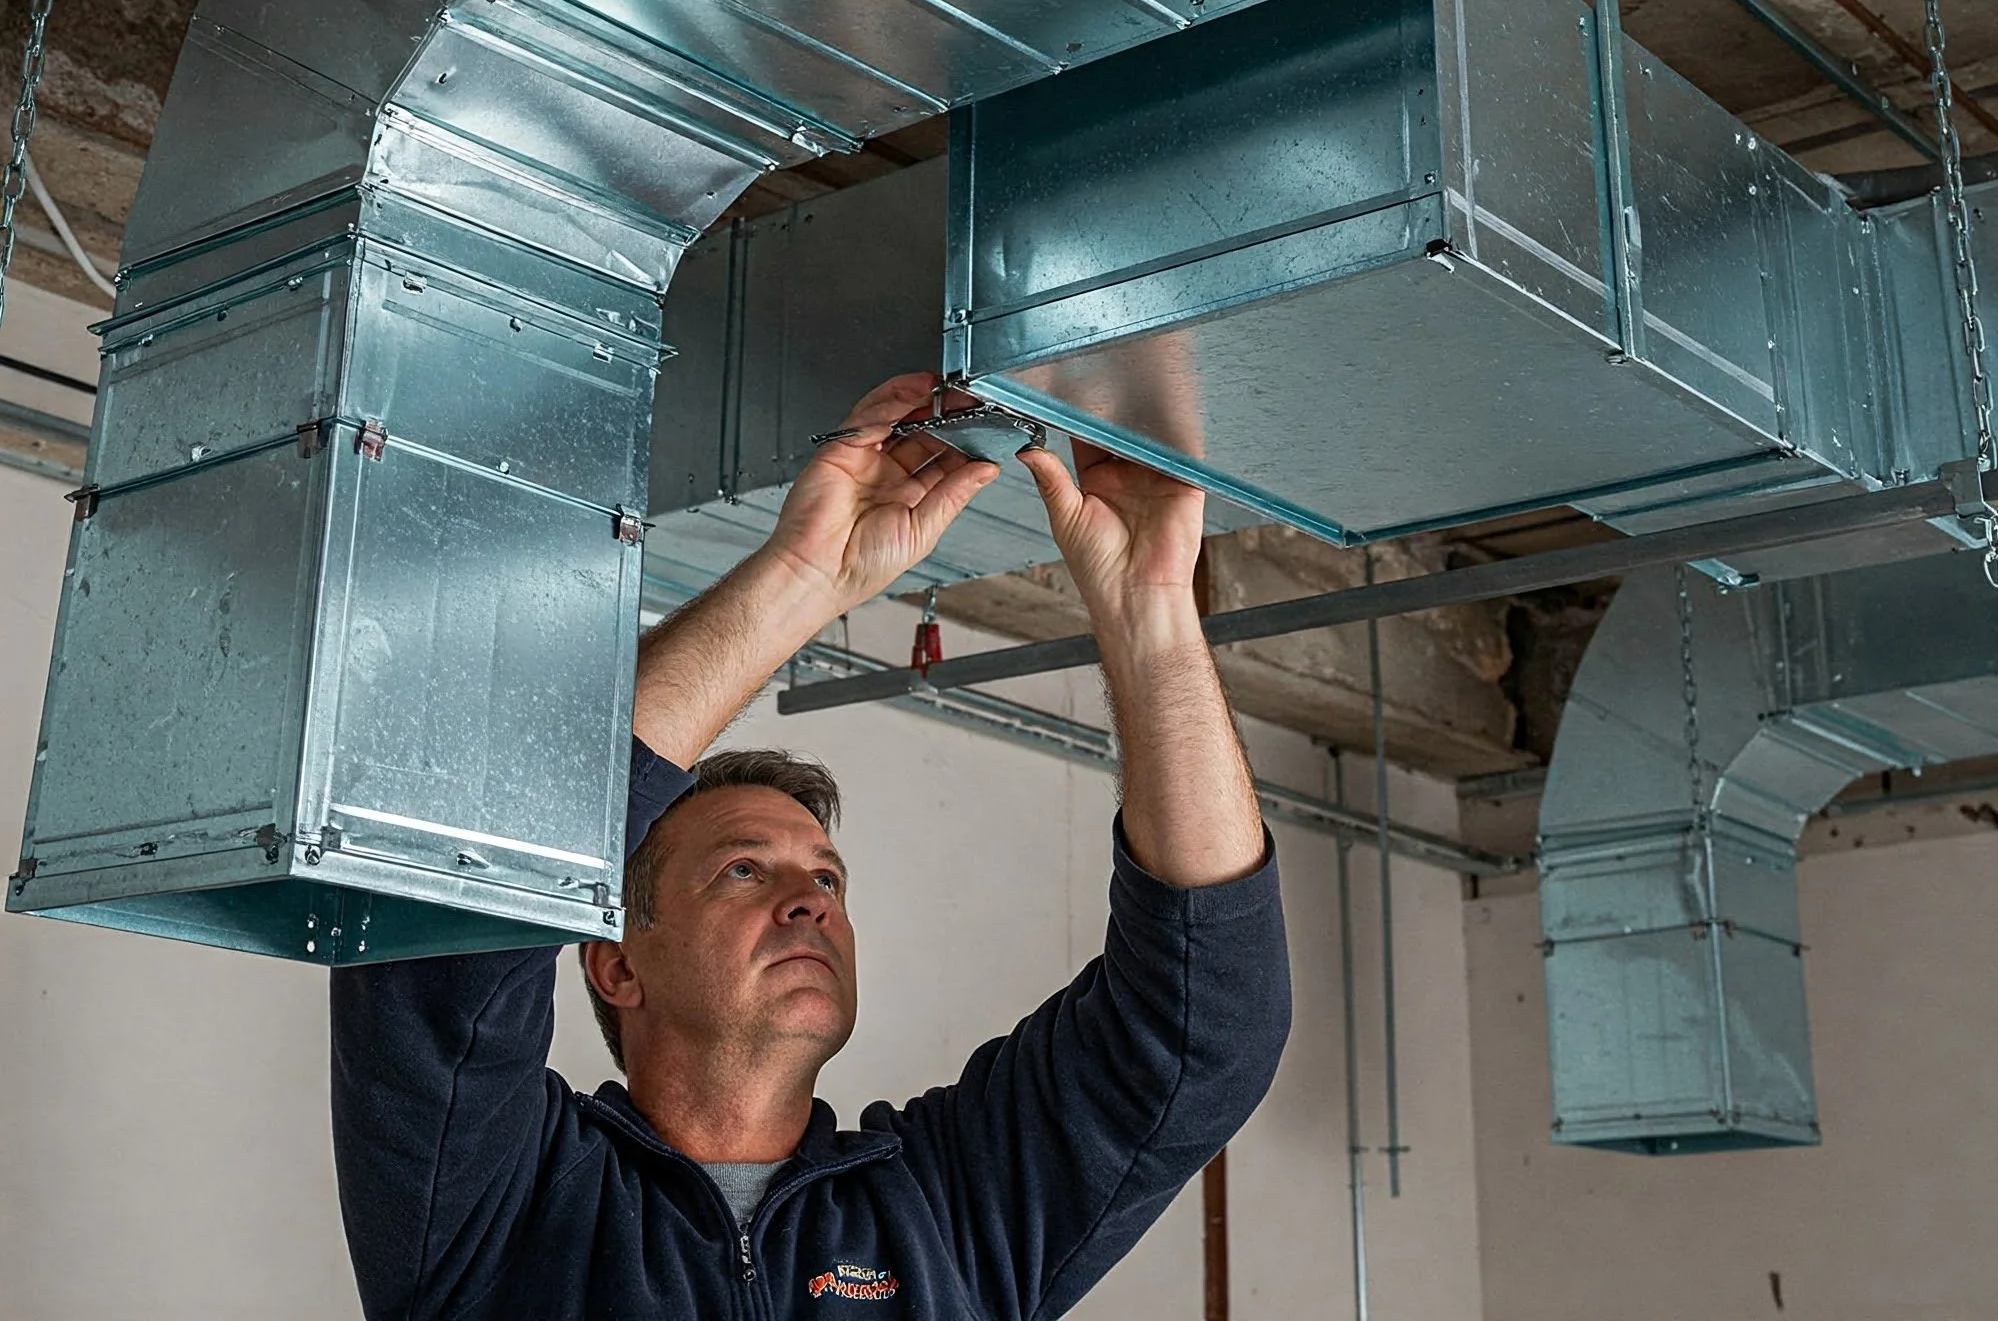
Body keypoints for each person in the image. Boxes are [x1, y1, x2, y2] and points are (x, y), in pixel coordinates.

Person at [331, 371, 1291, 1320]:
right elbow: (455, 932)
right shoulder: (499, 1206)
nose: (813, 903)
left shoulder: (944, 1211)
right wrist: (803, 581)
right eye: (743, 871)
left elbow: (1202, 1026)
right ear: (618, 962)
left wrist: (1149, 609)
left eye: (826, 877)